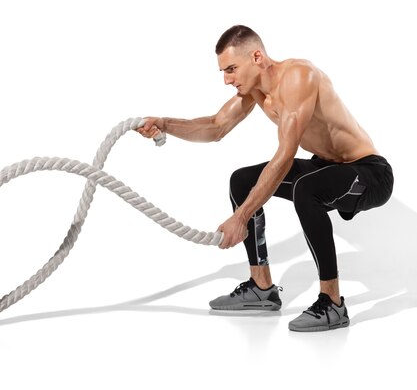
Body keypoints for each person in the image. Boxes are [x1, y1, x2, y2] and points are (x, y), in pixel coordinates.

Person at [137, 25, 394, 332]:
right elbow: (216, 127)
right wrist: (165, 123)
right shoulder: (256, 91)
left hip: (368, 173)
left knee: (305, 188)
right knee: (242, 181)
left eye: (231, 69)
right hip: (326, 168)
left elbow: (286, 155)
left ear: (256, 56)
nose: (226, 79)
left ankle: (333, 303)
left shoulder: (299, 77)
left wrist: (240, 217)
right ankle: (262, 288)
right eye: (223, 71)